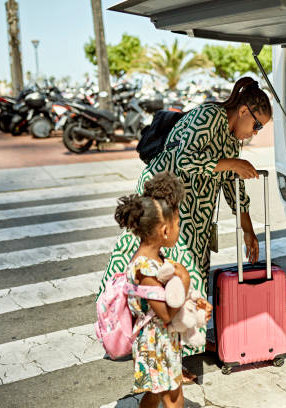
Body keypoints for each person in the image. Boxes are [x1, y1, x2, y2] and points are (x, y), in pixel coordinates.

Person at [98, 76, 273, 381]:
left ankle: (179, 342)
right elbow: (185, 161)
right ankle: (165, 354)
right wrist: (230, 163)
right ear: (244, 111)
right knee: (171, 278)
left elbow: (234, 188)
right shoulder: (206, 116)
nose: (255, 133)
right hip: (168, 208)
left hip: (194, 216)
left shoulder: (231, 138)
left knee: (185, 277)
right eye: (257, 125)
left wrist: (248, 229)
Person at [114, 172, 210, 408]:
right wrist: (185, 278)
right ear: (165, 231)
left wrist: (194, 301)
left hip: (161, 341)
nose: (179, 228)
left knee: (156, 392)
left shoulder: (154, 259)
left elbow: (169, 296)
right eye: (178, 224)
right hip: (157, 345)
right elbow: (167, 312)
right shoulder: (145, 269)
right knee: (173, 398)